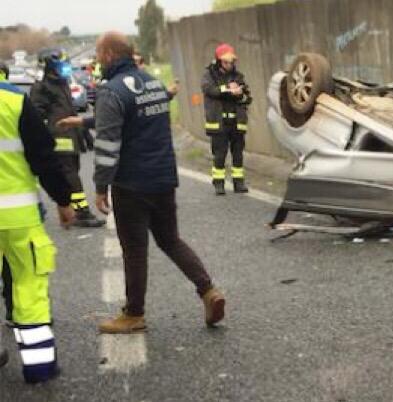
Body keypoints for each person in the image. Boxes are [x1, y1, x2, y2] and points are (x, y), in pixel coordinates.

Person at [86, 32, 225, 333]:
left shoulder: (111, 91)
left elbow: (108, 144)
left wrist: (100, 187)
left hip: (132, 184)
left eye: (99, 54)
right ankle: (208, 290)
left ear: (109, 55)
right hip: (163, 177)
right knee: (171, 239)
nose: (97, 60)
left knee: (135, 250)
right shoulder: (153, 83)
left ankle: (134, 314)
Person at [0, 61, 76, 383]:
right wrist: (63, 199)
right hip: (18, 218)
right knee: (29, 289)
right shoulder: (14, 100)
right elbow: (43, 156)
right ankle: (40, 368)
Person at [30, 49, 105, 228]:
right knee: (70, 176)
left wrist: (84, 133)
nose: (64, 69)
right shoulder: (41, 87)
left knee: (73, 171)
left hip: (72, 135)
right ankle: (82, 212)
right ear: (49, 67)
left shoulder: (61, 83)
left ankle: (68, 212)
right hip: (58, 138)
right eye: (60, 66)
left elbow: (70, 111)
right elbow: (37, 116)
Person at [202, 43, 252, 195]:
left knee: (238, 154)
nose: (229, 65)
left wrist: (240, 95)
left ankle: (239, 183)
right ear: (218, 61)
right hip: (218, 123)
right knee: (220, 154)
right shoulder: (209, 76)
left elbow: (247, 98)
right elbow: (210, 90)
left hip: (237, 123)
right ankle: (219, 183)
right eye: (226, 62)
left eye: (231, 62)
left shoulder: (239, 77)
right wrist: (228, 89)